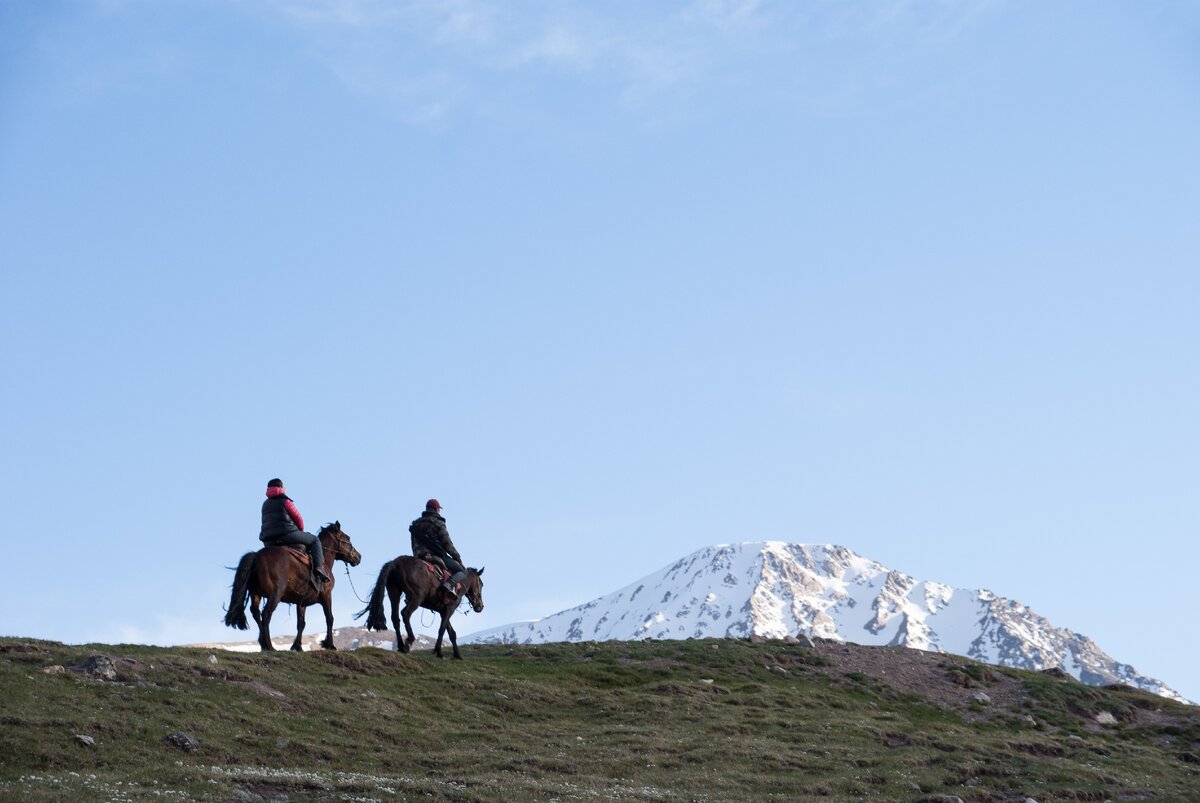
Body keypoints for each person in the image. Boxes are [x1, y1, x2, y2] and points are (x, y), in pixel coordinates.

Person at [259, 478, 329, 583]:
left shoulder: (265, 504)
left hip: (268, 540)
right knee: (315, 540)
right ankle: (319, 567)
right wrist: (300, 531)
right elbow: (299, 519)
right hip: (287, 534)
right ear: (281, 487)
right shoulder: (285, 501)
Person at [409, 499, 466, 601]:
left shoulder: (415, 525)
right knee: (462, 571)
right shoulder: (438, 523)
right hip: (434, 556)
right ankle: (448, 585)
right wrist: (458, 558)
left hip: (418, 555)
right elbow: (448, 545)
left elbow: (413, 544)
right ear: (436, 509)